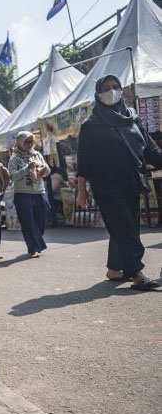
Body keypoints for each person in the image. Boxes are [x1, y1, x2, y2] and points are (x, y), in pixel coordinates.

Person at [77, 74, 162, 290]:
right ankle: (136, 274)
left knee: (127, 226)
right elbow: (83, 162)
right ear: (98, 94)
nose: (112, 91)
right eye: (106, 88)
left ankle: (114, 269)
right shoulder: (91, 126)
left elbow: (151, 150)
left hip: (132, 181)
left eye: (116, 86)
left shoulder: (133, 119)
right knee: (125, 226)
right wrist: (81, 191)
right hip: (106, 185)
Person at [8, 131, 50, 258]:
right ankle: (33, 248)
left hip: (39, 191)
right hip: (23, 194)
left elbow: (47, 170)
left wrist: (42, 169)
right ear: (20, 143)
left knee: (43, 216)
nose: (29, 144)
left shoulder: (37, 155)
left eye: (31, 141)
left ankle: (36, 242)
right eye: (26, 141)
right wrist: (27, 168)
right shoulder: (14, 159)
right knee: (28, 222)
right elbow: (13, 176)